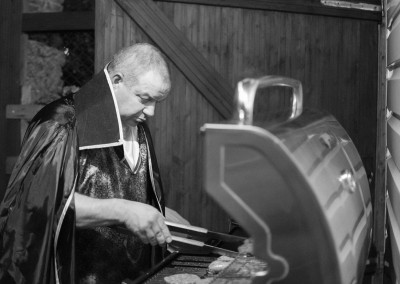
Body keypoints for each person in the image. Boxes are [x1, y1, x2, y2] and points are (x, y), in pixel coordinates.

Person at [0, 43, 184, 284]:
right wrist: (123, 210)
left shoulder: (136, 125)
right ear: (116, 81)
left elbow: (123, 191)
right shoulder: (62, 123)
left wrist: (160, 214)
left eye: (157, 102)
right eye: (145, 98)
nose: (151, 112)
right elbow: (37, 208)